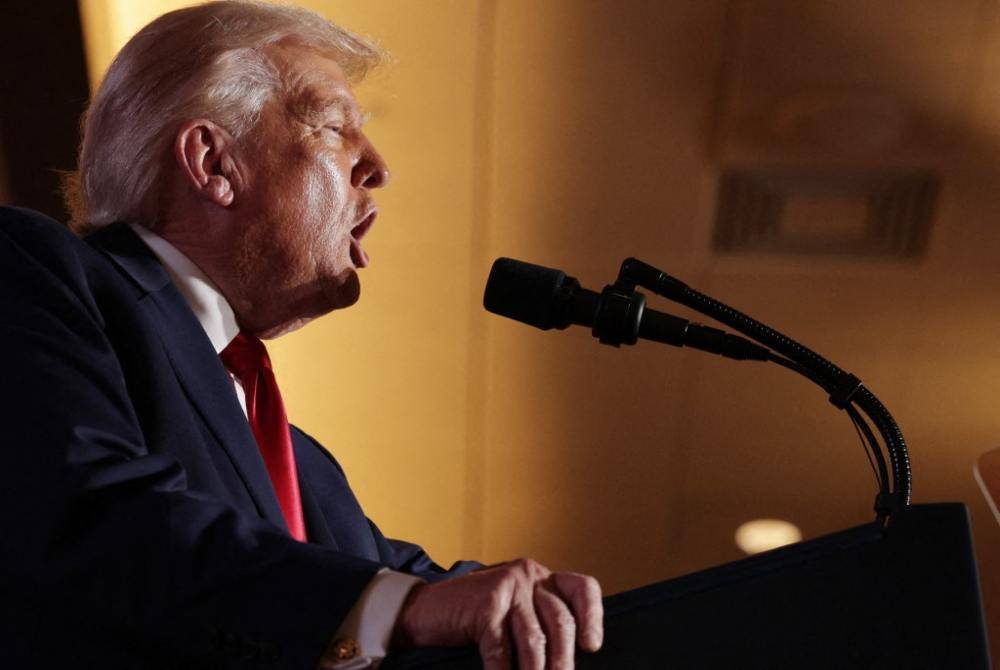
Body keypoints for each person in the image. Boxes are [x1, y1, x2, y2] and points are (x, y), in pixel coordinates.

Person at [0, 2, 602, 669]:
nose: (376, 165)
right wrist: (391, 606)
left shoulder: (304, 467)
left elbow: (432, 593)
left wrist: (547, 610)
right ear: (212, 163)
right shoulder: (35, 271)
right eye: (334, 126)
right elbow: (90, 513)